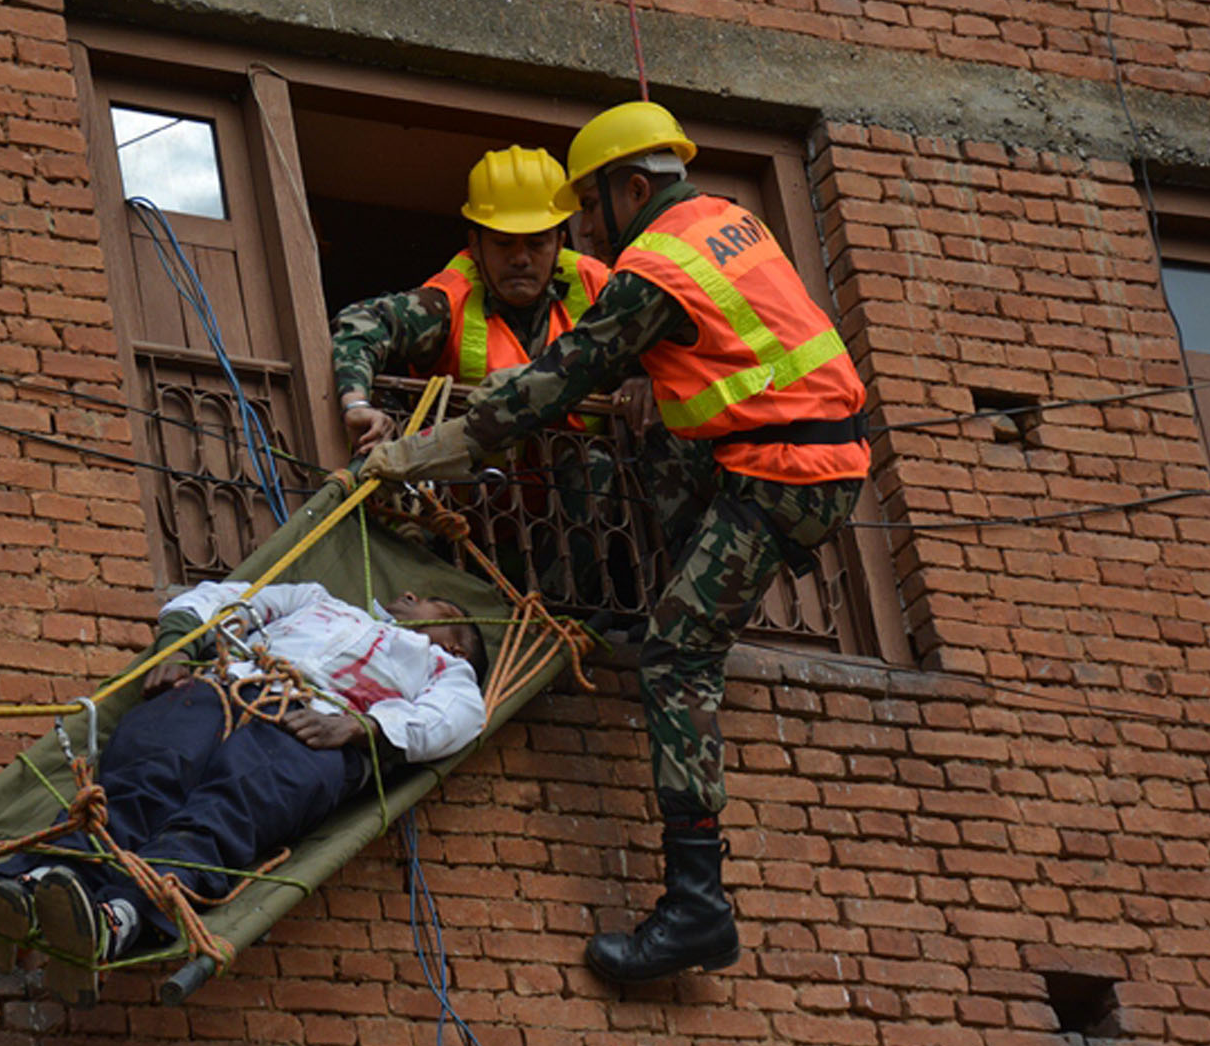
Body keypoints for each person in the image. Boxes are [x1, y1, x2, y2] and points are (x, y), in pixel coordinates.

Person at [362, 101, 869, 984]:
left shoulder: (651, 268)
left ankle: (697, 910)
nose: (584, 233)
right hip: (803, 457)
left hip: (780, 473)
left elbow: (547, 394)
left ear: (633, 187)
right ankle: (663, 588)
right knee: (658, 429)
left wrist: (410, 456)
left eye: (589, 211)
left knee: (677, 657)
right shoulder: (727, 221)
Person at [0, 580, 488, 1006]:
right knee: (144, 775)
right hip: (223, 686)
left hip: (312, 729)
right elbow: (224, 599)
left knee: (225, 813)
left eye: (430, 602)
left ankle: (115, 918)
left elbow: (458, 717)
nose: (410, 597)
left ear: (456, 641)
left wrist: (361, 729)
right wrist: (178, 645)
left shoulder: (447, 669)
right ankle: (38, 887)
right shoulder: (317, 599)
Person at [332, 145, 610, 454]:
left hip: (574, 485)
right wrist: (355, 403)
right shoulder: (447, 302)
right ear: (475, 246)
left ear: (559, 244)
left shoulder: (596, 286)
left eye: (536, 243)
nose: (520, 258)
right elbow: (363, 323)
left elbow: (658, 335)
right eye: (504, 243)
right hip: (468, 493)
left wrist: (639, 380)